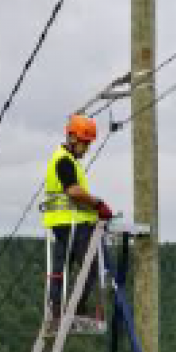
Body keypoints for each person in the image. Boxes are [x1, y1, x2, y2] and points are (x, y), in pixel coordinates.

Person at [41, 114, 114, 326]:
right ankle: (75, 309)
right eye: (85, 143)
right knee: (91, 266)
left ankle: (57, 311)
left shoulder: (61, 159)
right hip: (73, 223)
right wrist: (97, 204)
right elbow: (73, 191)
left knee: (61, 268)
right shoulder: (64, 161)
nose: (87, 148)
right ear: (73, 139)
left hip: (60, 223)